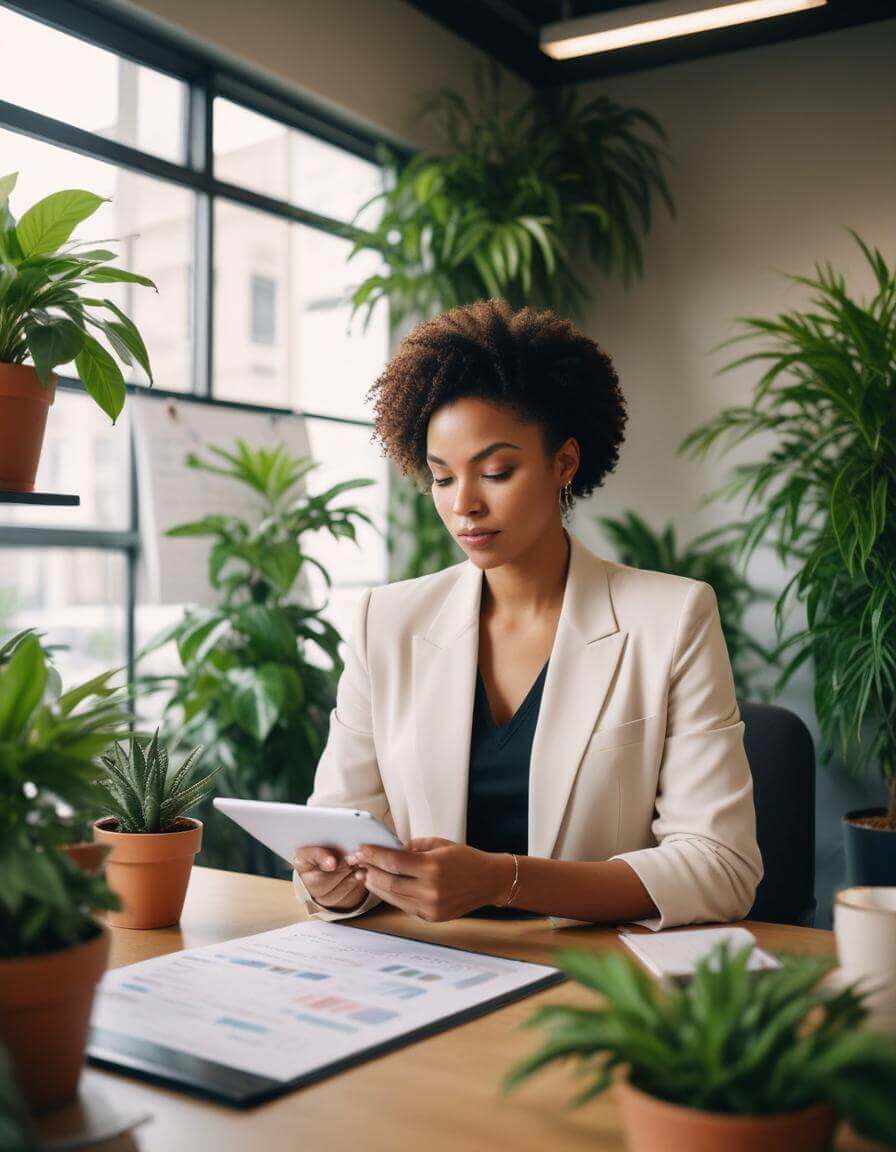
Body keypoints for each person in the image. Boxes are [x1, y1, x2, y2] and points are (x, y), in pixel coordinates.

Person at [293, 298, 762, 930]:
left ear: (563, 463)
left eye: (496, 471)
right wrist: (332, 884)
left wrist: (505, 881)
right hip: (421, 971)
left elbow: (721, 866)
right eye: (440, 478)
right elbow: (340, 845)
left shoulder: (672, 618)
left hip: (588, 980)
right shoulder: (387, 623)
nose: (465, 505)